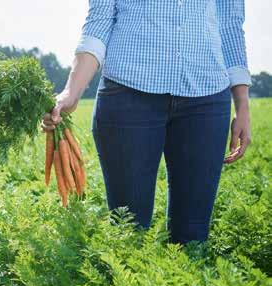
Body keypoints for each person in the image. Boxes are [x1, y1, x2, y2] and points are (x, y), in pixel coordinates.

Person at [41, 0, 252, 245]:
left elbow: (230, 28)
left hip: (206, 98)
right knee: (129, 231)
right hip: (129, 96)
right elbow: (98, 24)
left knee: (193, 237)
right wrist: (71, 91)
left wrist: (243, 106)